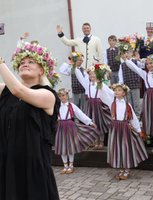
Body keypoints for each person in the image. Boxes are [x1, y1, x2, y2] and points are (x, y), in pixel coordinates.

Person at [0, 41, 60, 200]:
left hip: (33, 164)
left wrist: (1, 63)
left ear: (42, 70)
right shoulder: (5, 92)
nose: (24, 64)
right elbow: (13, 89)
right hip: (8, 162)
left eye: (30, 62)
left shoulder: (48, 95)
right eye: (21, 62)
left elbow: (18, 90)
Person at [98, 83, 148, 180]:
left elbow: (133, 118)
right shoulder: (111, 102)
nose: (117, 92)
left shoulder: (127, 105)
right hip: (115, 128)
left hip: (125, 128)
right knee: (117, 148)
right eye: (115, 90)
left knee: (125, 148)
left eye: (119, 90)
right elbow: (102, 95)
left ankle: (127, 169)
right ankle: (121, 167)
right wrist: (100, 84)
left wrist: (138, 130)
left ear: (124, 93)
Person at [55, 88, 99, 174]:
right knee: (62, 146)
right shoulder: (56, 106)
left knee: (70, 146)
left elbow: (80, 114)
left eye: (63, 95)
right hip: (60, 127)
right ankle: (65, 165)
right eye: (60, 96)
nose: (62, 97)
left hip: (70, 127)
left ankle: (71, 165)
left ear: (67, 96)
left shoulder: (71, 106)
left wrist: (90, 122)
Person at [75, 66, 112, 149]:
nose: (92, 76)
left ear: (98, 75)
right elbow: (80, 77)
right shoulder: (87, 84)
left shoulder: (101, 84)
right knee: (92, 123)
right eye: (90, 74)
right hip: (91, 106)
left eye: (94, 74)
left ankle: (101, 141)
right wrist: (75, 67)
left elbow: (109, 93)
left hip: (99, 106)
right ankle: (95, 140)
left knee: (100, 123)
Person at [118, 49, 142, 118]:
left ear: (132, 53)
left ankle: (138, 116)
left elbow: (143, 66)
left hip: (135, 84)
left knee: (136, 102)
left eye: (128, 53)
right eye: (125, 53)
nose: (126, 54)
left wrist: (139, 59)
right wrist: (121, 84)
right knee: (129, 102)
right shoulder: (122, 65)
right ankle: (131, 116)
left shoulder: (136, 62)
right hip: (127, 86)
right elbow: (121, 75)